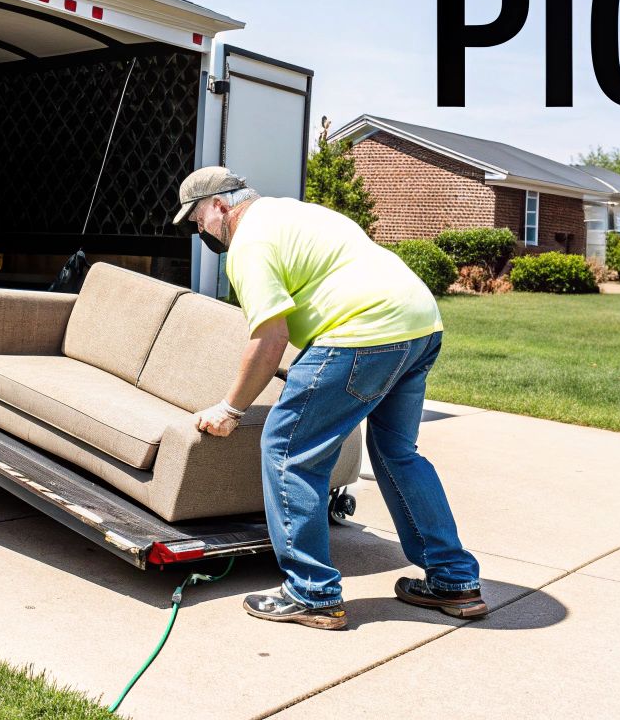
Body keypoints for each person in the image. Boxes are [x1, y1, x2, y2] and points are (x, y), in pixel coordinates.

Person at [170, 166, 485, 630]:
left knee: (287, 450)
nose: (199, 232)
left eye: (198, 220)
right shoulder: (292, 213)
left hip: (363, 334)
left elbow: (270, 337)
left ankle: (311, 593)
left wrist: (231, 408)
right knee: (399, 454)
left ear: (220, 205)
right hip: (420, 325)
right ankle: (454, 580)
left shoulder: (249, 244)